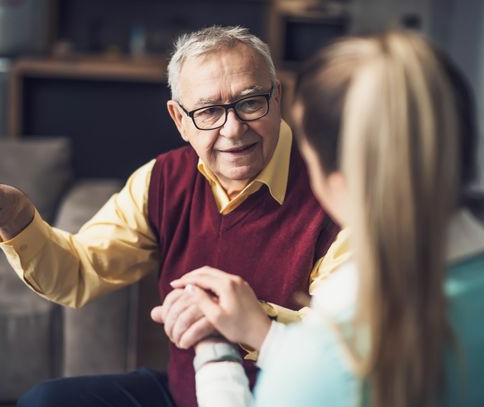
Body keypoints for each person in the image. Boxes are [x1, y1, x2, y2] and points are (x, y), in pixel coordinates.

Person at [0, 26, 339, 407]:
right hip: (186, 392)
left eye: (251, 102)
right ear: (179, 119)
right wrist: (19, 217)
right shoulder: (162, 179)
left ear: (277, 97)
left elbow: (346, 353)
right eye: (207, 111)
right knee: (45, 400)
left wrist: (251, 319)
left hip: (290, 397)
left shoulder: (336, 189)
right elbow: (80, 271)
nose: (233, 129)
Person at [170, 30, 484, 406]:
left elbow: (323, 375)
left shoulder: (329, 357)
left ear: (335, 176)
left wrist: (214, 353)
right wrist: (267, 336)